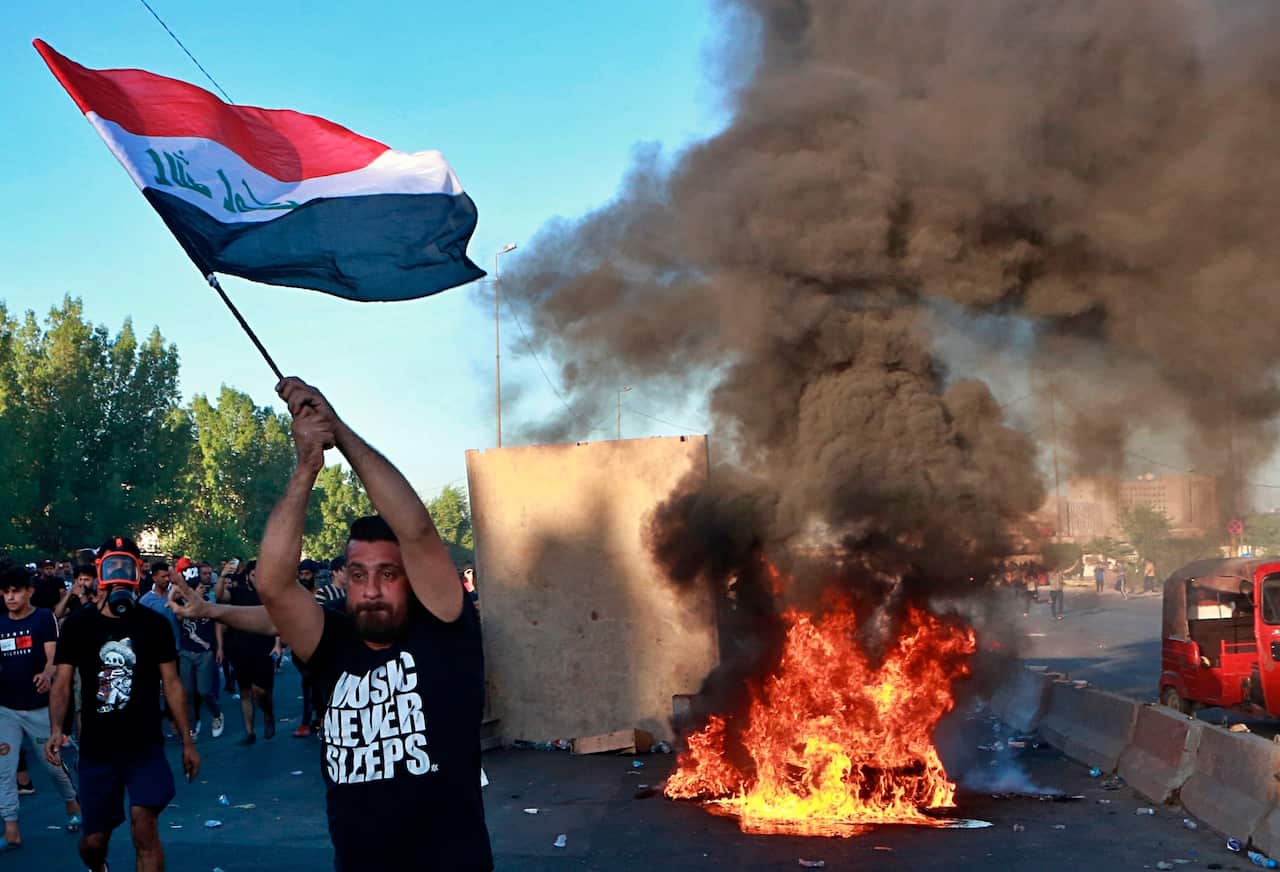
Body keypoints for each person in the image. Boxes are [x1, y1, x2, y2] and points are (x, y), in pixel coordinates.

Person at [262, 377, 492, 870]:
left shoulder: (444, 629)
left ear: (413, 579)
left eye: (388, 575)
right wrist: (306, 469)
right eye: (360, 574)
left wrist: (338, 431)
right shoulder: (331, 642)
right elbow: (274, 585)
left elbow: (417, 528)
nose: (371, 591)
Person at [46, 536, 198, 872]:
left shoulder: (154, 624)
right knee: (94, 841)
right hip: (98, 749)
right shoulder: (79, 625)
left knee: (145, 826)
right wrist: (56, 728)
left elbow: (172, 684)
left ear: (138, 571)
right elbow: (62, 682)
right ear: (100, 572)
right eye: (112, 564)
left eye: (126, 565)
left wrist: (187, 740)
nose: (119, 572)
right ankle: (97, 865)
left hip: (144, 745)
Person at [0, 562, 81, 851]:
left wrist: (48, 673)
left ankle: (73, 805)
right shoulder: (0, 624)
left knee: (52, 765)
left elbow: (54, 657)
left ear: (29, 592)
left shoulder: (43, 618)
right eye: (6, 592)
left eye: (16, 592)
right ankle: (11, 827)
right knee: (4, 767)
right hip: (6, 708)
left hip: (38, 708)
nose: (10, 597)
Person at [218, 562, 279, 744]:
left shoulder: (270, 597)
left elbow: (278, 621)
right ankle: (249, 732)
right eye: (254, 575)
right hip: (240, 649)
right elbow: (221, 595)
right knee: (245, 691)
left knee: (261, 691)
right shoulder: (238, 593)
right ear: (248, 576)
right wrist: (222, 577)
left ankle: (268, 714)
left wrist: (278, 644)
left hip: (264, 648)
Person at [176, 570, 225, 741]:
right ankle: (192, 724)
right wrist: (192, 599)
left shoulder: (209, 602)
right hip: (186, 650)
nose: (202, 589)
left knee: (204, 690)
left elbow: (218, 623)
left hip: (205, 651)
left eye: (203, 587)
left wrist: (219, 647)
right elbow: (180, 616)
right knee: (188, 692)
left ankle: (217, 714)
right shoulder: (181, 603)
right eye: (198, 587)